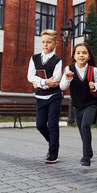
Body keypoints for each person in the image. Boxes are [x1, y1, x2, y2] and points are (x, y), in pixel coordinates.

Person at [60, 42, 97, 167]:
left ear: (88, 56)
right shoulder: (69, 69)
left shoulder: (93, 70)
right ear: (74, 55)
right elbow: (62, 86)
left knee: (85, 126)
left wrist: (94, 86)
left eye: (84, 53)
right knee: (81, 129)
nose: (81, 55)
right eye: (78, 53)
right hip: (76, 104)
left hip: (90, 103)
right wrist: (67, 79)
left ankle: (86, 156)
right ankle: (89, 150)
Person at [27, 29, 62, 164]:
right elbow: (30, 76)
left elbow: (56, 80)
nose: (45, 44)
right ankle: (53, 142)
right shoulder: (34, 58)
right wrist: (45, 82)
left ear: (55, 44)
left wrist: (39, 83)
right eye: (43, 42)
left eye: (48, 42)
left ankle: (54, 152)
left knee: (52, 124)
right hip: (40, 97)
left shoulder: (57, 60)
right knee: (40, 125)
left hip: (54, 96)